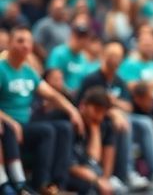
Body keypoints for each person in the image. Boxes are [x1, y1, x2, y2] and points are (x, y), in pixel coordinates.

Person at [78, 41, 153, 190]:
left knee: (146, 122)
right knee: (123, 122)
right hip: (99, 119)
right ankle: (126, 174)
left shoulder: (119, 80)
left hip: (120, 116)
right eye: (112, 56)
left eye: (119, 57)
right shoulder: (92, 79)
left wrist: (112, 104)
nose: (116, 60)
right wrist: (112, 110)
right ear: (104, 56)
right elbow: (83, 105)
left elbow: (129, 105)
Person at [0, 26, 83, 194]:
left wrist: (73, 111)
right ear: (9, 43)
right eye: (20, 41)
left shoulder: (28, 71)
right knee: (47, 130)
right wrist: (10, 121)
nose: (25, 45)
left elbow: (52, 95)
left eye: (29, 41)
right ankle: (39, 184)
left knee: (64, 127)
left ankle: (57, 185)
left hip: (25, 126)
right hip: (7, 127)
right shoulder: (2, 69)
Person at [67, 87, 118, 195]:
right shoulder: (71, 124)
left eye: (102, 112)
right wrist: (96, 180)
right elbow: (68, 165)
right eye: (96, 110)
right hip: (69, 172)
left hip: (90, 171)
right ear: (82, 105)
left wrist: (95, 129)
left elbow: (95, 158)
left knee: (115, 189)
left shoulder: (100, 124)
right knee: (90, 188)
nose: (99, 116)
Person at [45, 21, 94, 96]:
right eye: (78, 37)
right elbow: (52, 79)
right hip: (60, 95)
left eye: (84, 38)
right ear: (72, 36)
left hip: (78, 96)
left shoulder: (84, 58)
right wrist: (68, 92)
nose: (80, 40)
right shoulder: (59, 53)